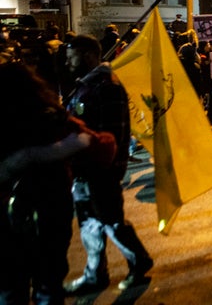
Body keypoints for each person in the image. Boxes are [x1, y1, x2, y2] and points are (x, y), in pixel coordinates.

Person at [0, 61, 111, 305]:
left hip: (22, 217)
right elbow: (103, 147)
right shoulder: (53, 118)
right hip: (51, 209)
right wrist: (69, 147)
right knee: (49, 283)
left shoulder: (49, 118)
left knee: (10, 286)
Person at [63, 34, 153, 294]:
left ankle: (139, 261)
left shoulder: (107, 86)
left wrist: (104, 167)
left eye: (73, 57)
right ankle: (95, 274)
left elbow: (113, 135)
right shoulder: (86, 85)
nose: (68, 63)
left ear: (89, 55)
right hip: (82, 171)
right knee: (89, 223)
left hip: (101, 171)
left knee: (111, 221)